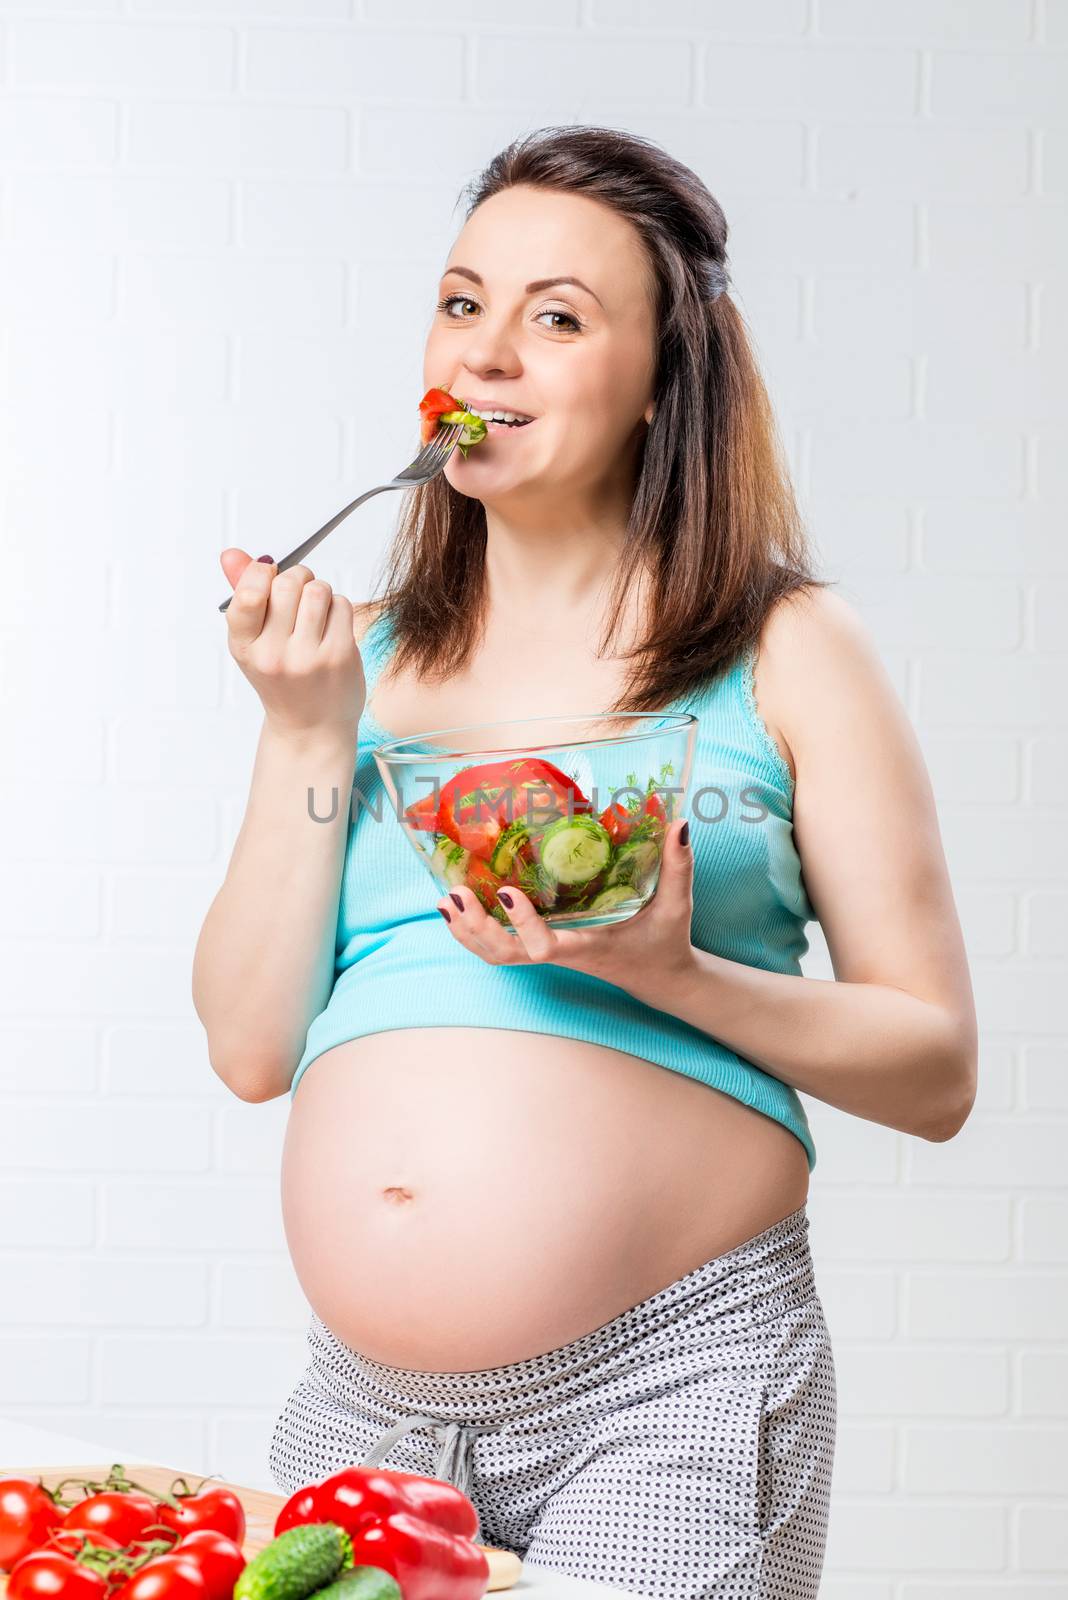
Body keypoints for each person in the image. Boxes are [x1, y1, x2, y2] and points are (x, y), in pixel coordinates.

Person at [192, 125, 978, 1600]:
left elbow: (934, 1072)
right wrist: (309, 737)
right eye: (462, 301)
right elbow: (246, 1047)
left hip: (666, 1389)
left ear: (665, 382)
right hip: (360, 1408)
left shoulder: (789, 651)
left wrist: (667, 972)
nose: (487, 353)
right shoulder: (354, 659)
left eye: (557, 317)